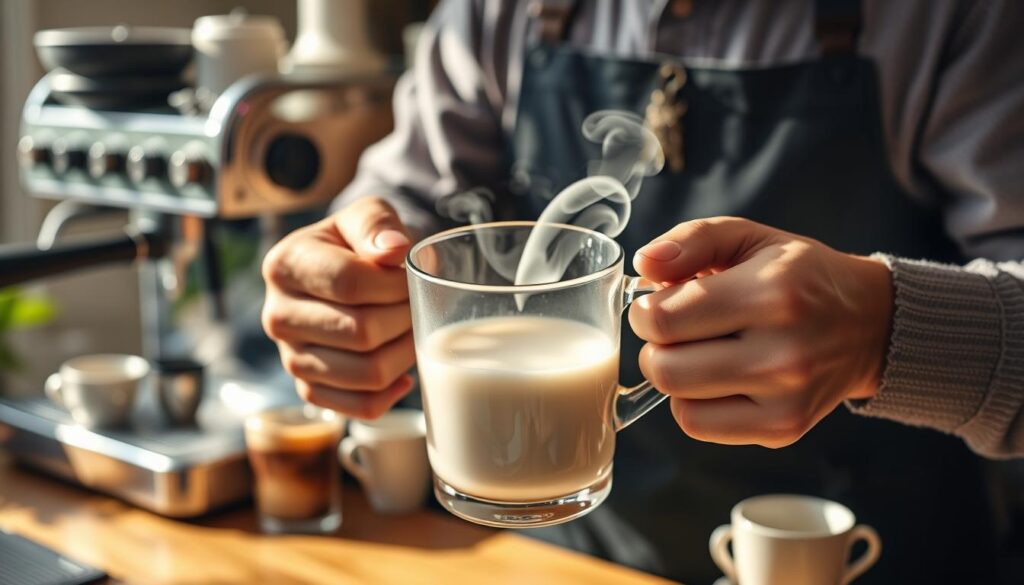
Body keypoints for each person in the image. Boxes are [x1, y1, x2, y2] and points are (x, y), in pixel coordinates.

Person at [260, 0, 1024, 582]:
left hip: (862, 557)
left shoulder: (957, 18)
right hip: (564, 559)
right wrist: (344, 284)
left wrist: (885, 330)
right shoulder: (495, 13)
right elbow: (408, 215)